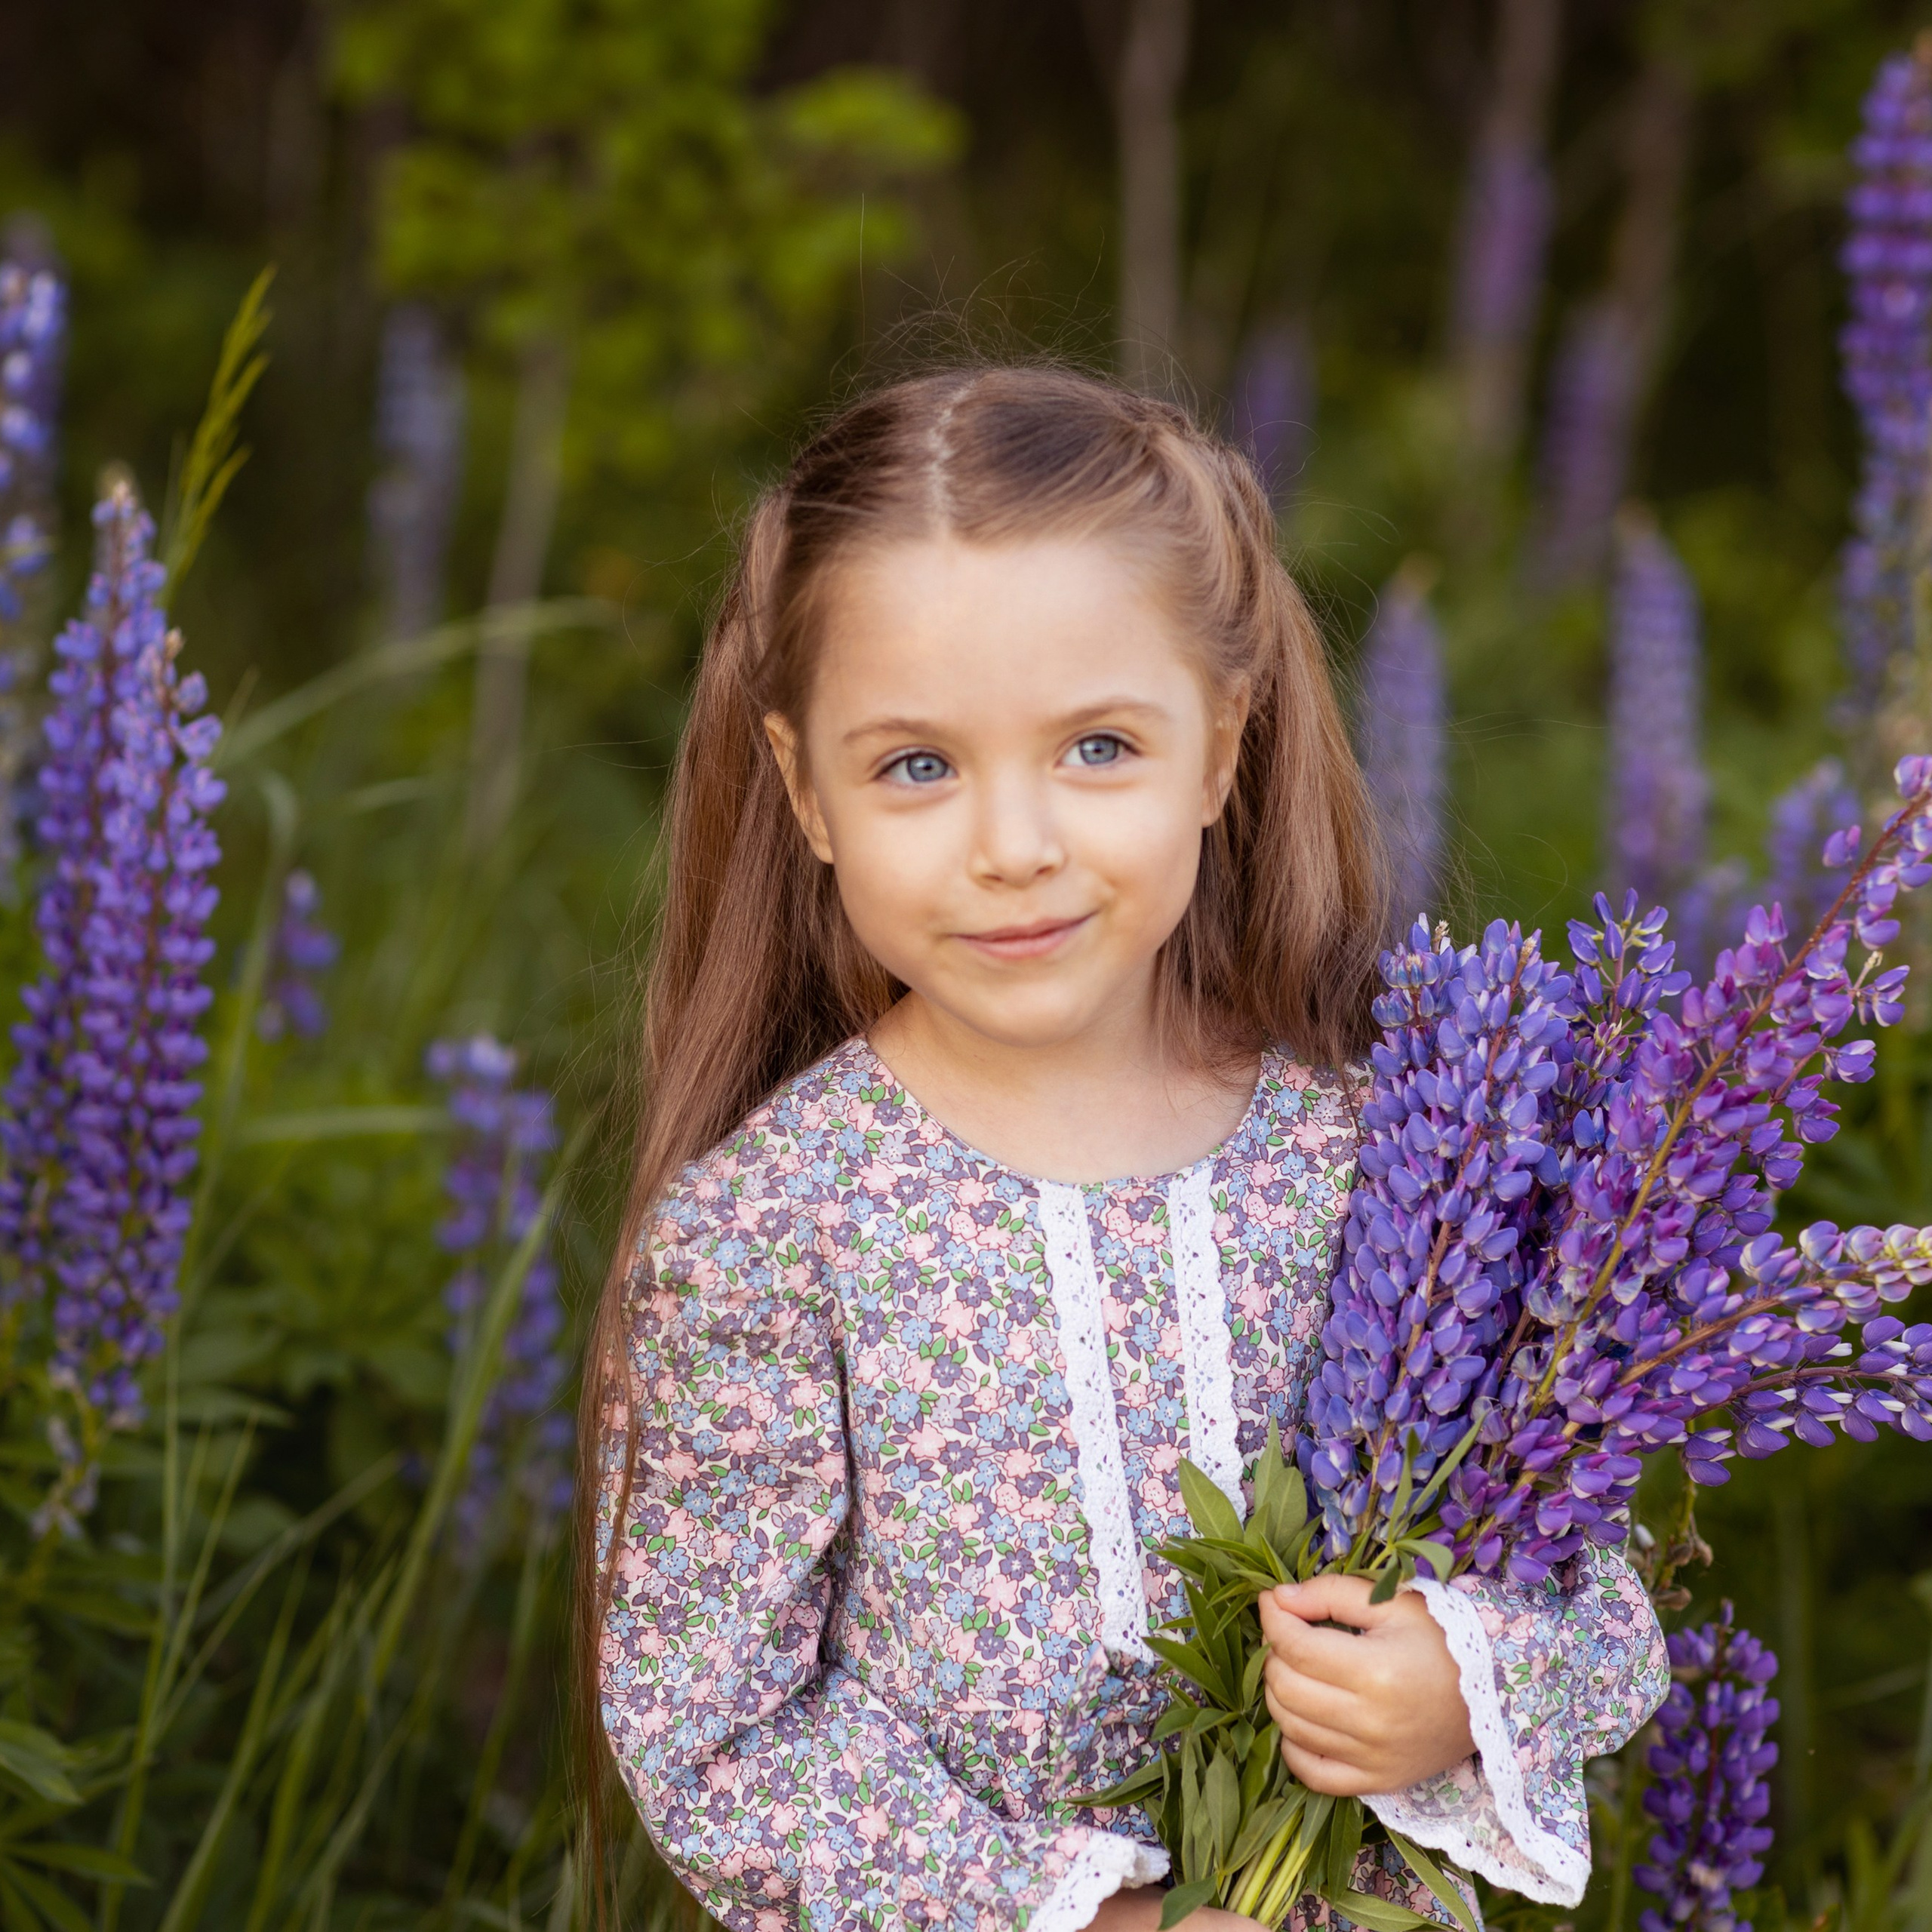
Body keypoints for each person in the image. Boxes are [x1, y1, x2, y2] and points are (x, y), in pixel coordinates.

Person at [580, 367, 1668, 1932]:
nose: (1012, 841)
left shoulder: (1390, 1148)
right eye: (915, 766)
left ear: (1221, 745)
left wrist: (1464, 1680)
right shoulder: (772, 1225)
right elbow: (718, 1726)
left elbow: (1591, 1578)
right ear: (804, 789)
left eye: (1096, 747)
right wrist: (1091, 1918)